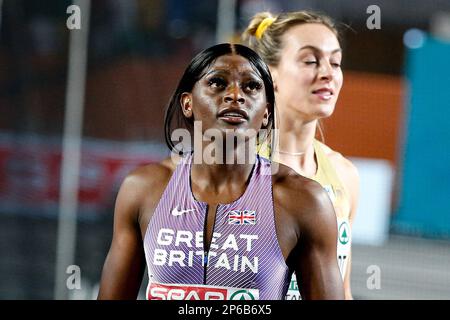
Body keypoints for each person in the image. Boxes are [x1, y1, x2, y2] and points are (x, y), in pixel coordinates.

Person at [97, 43, 344, 300]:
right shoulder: (143, 188)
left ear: (267, 113)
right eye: (217, 82)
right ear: (187, 103)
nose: (235, 95)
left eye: (251, 86)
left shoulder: (304, 200)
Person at [243, 11, 360, 300]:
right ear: (270, 74)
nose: (328, 73)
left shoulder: (344, 175)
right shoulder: (232, 169)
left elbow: (342, 290)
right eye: (310, 61)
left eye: (335, 62)